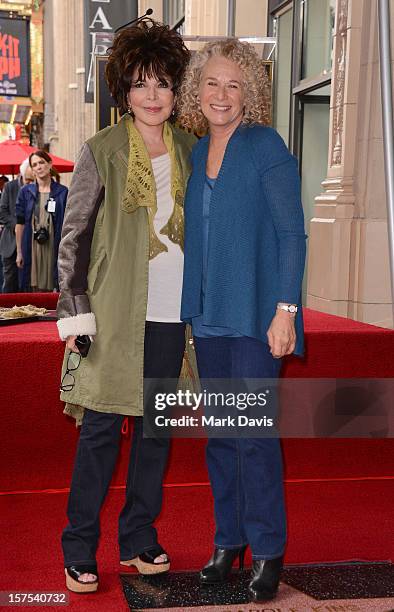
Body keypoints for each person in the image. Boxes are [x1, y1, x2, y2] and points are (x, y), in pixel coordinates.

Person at [55, 20, 195, 594]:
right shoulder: (102, 151)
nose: (153, 95)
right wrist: (77, 312)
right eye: (141, 84)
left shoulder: (193, 148)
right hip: (112, 316)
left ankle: (138, 539)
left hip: (172, 316)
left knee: (155, 434)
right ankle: (79, 547)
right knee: (101, 434)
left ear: (174, 88)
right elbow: (74, 238)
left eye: (162, 82)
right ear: (123, 92)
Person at [178, 39, 306, 603]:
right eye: (211, 82)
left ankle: (268, 550)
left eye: (233, 84)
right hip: (207, 317)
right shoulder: (197, 148)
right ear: (196, 91)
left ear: (249, 92)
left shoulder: (265, 146)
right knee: (220, 438)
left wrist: (286, 311)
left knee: (254, 437)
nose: (221, 94)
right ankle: (228, 543)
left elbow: (290, 234)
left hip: (255, 319)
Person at [15, 150, 68, 291]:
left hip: (54, 243)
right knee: (32, 285)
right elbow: (19, 224)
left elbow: (68, 225)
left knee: (54, 283)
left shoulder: (63, 192)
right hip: (31, 244)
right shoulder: (25, 192)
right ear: (32, 170)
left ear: (50, 164)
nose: (39, 167)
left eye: (42, 162)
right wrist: (19, 252)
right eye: (35, 164)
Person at [0, 159, 34, 292]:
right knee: (9, 280)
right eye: (27, 180)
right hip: (10, 243)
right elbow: (2, 212)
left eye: (32, 180)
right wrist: (17, 225)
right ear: (21, 175)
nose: (30, 183)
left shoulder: (36, 189)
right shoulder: (10, 187)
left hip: (29, 242)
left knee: (27, 282)